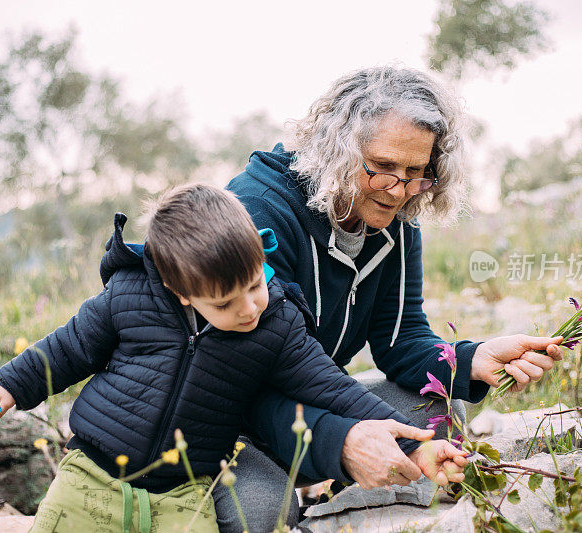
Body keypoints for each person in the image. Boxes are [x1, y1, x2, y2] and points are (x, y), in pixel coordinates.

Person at [0, 183, 468, 532]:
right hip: (93, 472)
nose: (250, 307)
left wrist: (414, 446)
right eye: (226, 303)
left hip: (184, 490)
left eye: (256, 284)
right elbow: (67, 348)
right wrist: (10, 387)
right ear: (180, 290)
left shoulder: (276, 321)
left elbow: (331, 386)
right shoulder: (129, 297)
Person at [222, 66, 564, 531]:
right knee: (261, 513)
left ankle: (331, 490)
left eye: (417, 173)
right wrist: (344, 441)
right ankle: (295, 485)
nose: (398, 191)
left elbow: (400, 338)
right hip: (233, 419)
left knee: (438, 408)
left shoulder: (395, 215)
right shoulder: (258, 212)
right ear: (335, 150)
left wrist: (472, 360)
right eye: (381, 168)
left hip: (315, 412)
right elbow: (258, 378)